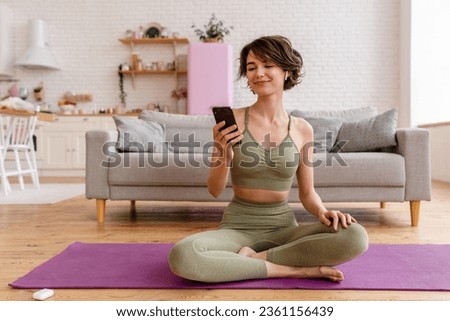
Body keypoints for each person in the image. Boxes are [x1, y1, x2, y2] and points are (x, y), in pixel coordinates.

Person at [168, 35, 368, 283]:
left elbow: (307, 194)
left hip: (284, 229)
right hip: (237, 227)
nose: (258, 73)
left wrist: (324, 212)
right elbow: (214, 190)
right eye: (251, 68)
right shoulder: (233, 120)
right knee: (184, 256)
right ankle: (291, 269)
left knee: (355, 236)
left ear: (286, 71)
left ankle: (254, 259)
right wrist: (222, 151)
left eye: (267, 65)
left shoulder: (302, 129)